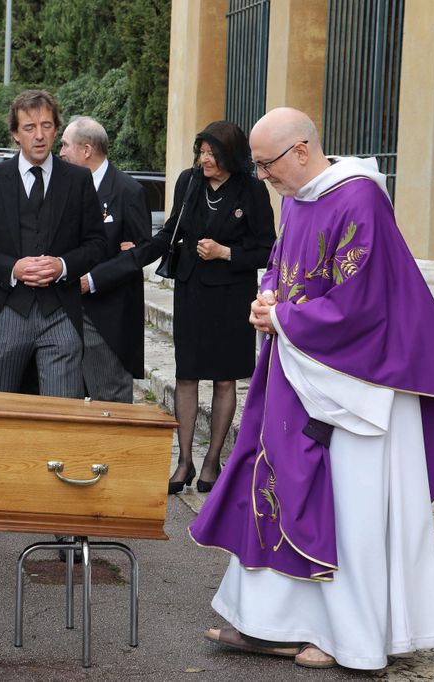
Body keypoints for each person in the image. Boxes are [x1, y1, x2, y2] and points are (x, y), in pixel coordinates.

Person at [191, 107, 434, 670]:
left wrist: (282, 318)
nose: (262, 177)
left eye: (266, 164)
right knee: (280, 487)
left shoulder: (358, 199)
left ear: (301, 150)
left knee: (348, 509)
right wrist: (266, 300)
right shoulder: (303, 201)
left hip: (357, 381)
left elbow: (362, 304)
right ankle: (268, 622)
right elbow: (283, 270)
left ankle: (352, 638)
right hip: (304, 373)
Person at [139, 121, 276, 495]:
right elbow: (170, 231)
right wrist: (132, 255)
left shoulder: (252, 190)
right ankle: (183, 461)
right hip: (192, 290)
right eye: (201, 151)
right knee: (187, 374)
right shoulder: (188, 181)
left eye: (212, 154)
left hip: (232, 295)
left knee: (224, 377)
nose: (205, 159)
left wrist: (226, 252)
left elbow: (267, 248)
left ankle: (212, 460)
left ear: (230, 155)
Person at [0, 89, 107, 399]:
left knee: (61, 415)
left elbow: (97, 244)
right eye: (29, 127)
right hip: (5, 310)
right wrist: (14, 268)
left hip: (61, 312)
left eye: (47, 126)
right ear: (15, 134)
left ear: (55, 129)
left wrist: (62, 265)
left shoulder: (78, 180)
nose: (39, 135)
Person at [58, 116, 151, 404]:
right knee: (65, 398)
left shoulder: (128, 191)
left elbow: (139, 252)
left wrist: (93, 279)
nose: (60, 152)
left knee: (109, 400)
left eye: (65, 145)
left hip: (108, 316)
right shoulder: (63, 188)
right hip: (63, 310)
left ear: (86, 150)